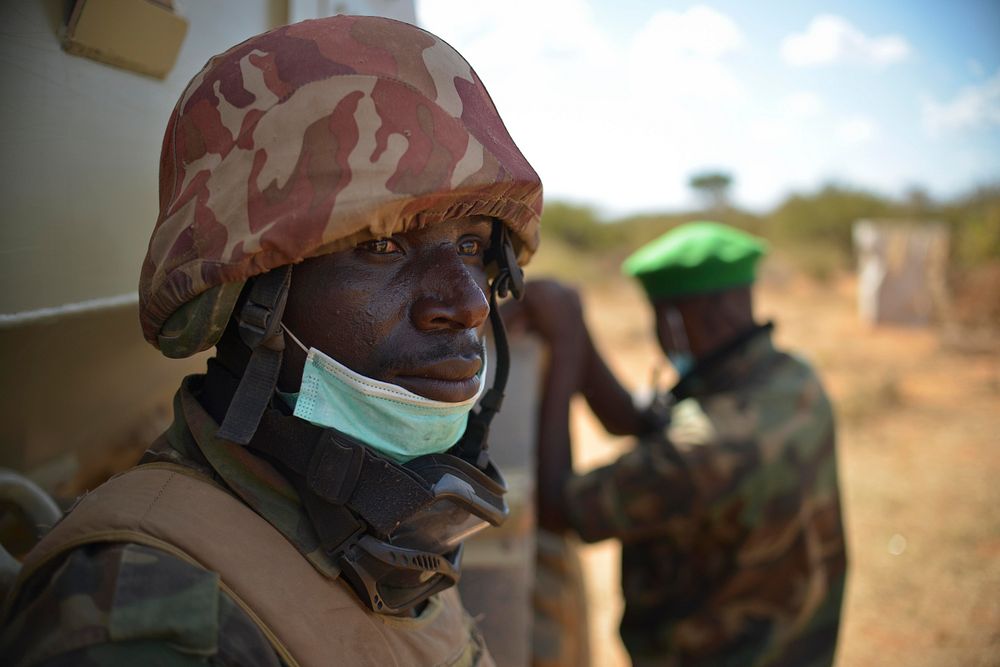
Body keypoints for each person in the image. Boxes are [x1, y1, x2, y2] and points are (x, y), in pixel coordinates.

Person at [0, 15, 542, 666]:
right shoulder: (151, 619)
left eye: (472, 246)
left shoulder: (391, 523)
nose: (469, 302)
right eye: (379, 244)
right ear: (248, 295)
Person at [515, 222, 847, 666]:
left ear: (674, 321)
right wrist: (577, 326)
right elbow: (644, 419)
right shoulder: (792, 380)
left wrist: (565, 353)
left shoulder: (700, 452)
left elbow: (560, 509)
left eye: (660, 315)